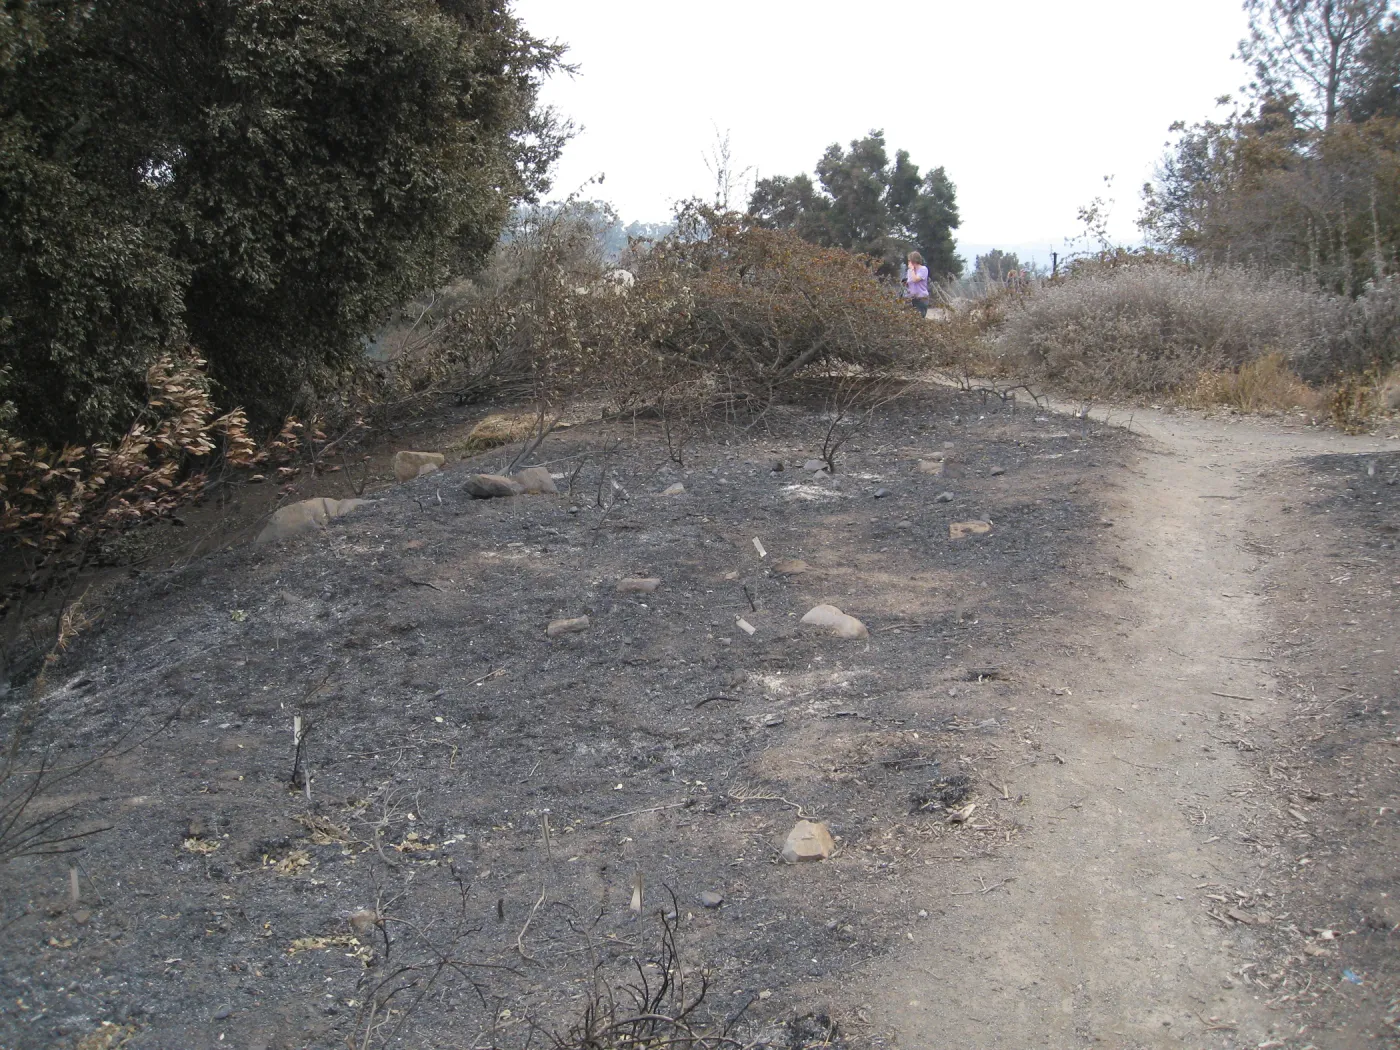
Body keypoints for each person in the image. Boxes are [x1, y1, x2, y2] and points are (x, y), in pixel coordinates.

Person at [903, 251, 930, 317]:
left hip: (921, 298)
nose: (908, 262)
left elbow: (915, 279)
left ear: (913, 261)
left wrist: (912, 269)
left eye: (909, 260)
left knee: (919, 319)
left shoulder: (923, 269)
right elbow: (910, 282)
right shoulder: (909, 271)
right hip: (911, 298)